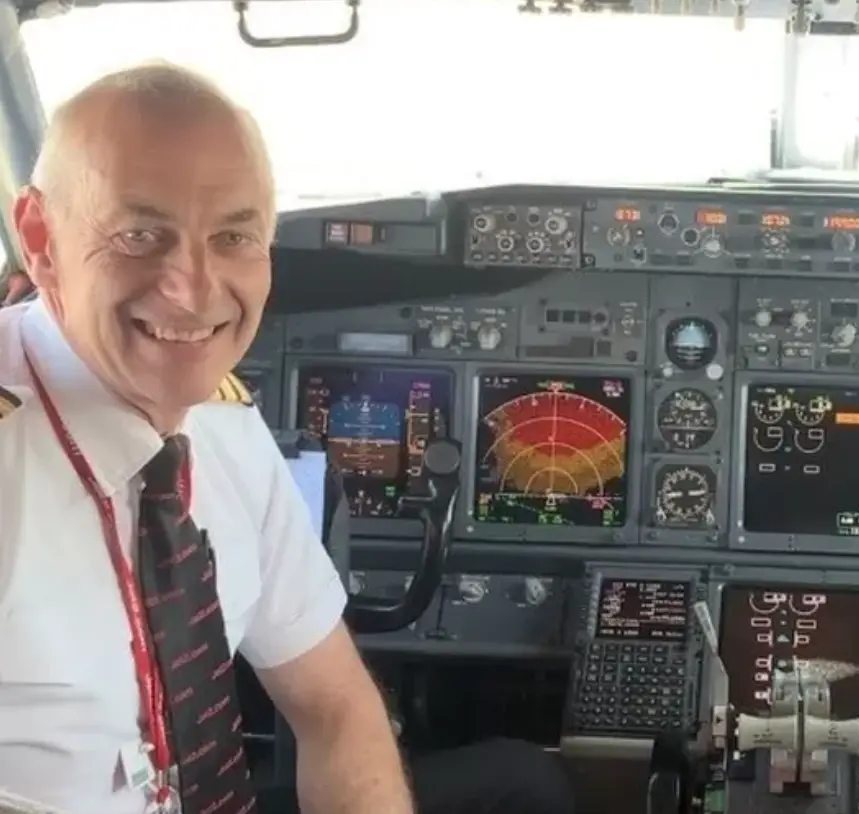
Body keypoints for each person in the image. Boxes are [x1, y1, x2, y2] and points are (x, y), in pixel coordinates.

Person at [0, 64, 572, 814]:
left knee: (521, 784)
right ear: (40, 237)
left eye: (233, 235)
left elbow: (335, 709)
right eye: (141, 234)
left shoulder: (225, 428)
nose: (194, 288)